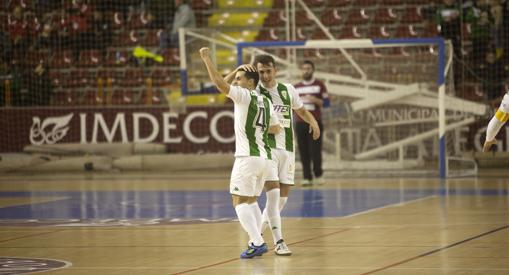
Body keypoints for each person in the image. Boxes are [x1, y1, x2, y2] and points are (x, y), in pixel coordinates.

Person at [199, 47, 281, 259]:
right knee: (251, 200)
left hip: (247, 158)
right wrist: (237, 70)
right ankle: (258, 240)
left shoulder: (244, 96)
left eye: (240, 79)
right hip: (264, 157)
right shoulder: (265, 100)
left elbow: (218, 84)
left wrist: (207, 59)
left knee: (238, 200)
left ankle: (256, 241)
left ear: (251, 82)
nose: (235, 82)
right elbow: (275, 128)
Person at [254, 54, 320, 256]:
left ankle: (255, 237)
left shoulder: (288, 90)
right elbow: (227, 89)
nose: (265, 75)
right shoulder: (254, 92)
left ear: (275, 70)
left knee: (281, 201)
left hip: (287, 150)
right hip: (267, 150)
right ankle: (279, 242)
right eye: (261, 72)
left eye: (268, 71)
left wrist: (313, 122)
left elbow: (301, 110)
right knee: (273, 197)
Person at [294, 60, 330, 186]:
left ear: (313, 70)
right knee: (303, 151)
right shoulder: (296, 87)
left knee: (315, 150)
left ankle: (318, 175)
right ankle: (306, 177)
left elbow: (326, 103)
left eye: (308, 68)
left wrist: (315, 99)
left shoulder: (320, 85)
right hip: (299, 123)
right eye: (304, 68)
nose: (306, 71)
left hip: (315, 122)